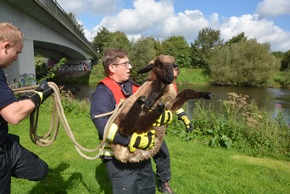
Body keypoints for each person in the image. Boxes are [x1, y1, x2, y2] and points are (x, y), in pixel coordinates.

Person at [90, 49, 172, 194]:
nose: (131, 67)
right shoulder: (103, 92)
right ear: (112, 67)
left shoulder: (135, 87)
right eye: (125, 63)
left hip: (142, 154)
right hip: (118, 158)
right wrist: (133, 140)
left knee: (147, 189)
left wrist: (159, 116)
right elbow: (103, 127)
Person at [0, 22, 54, 193]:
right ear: (6, 46)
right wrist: (39, 96)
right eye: (17, 53)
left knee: (40, 169)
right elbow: (13, 115)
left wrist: (23, 100)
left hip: (5, 143)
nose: (16, 58)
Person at [153, 63, 193, 194]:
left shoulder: (172, 86)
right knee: (160, 155)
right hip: (148, 126)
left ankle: (163, 184)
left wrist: (184, 118)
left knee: (162, 156)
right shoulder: (156, 84)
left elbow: (174, 104)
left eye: (174, 77)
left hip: (159, 129)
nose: (172, 79)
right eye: (170, 76)